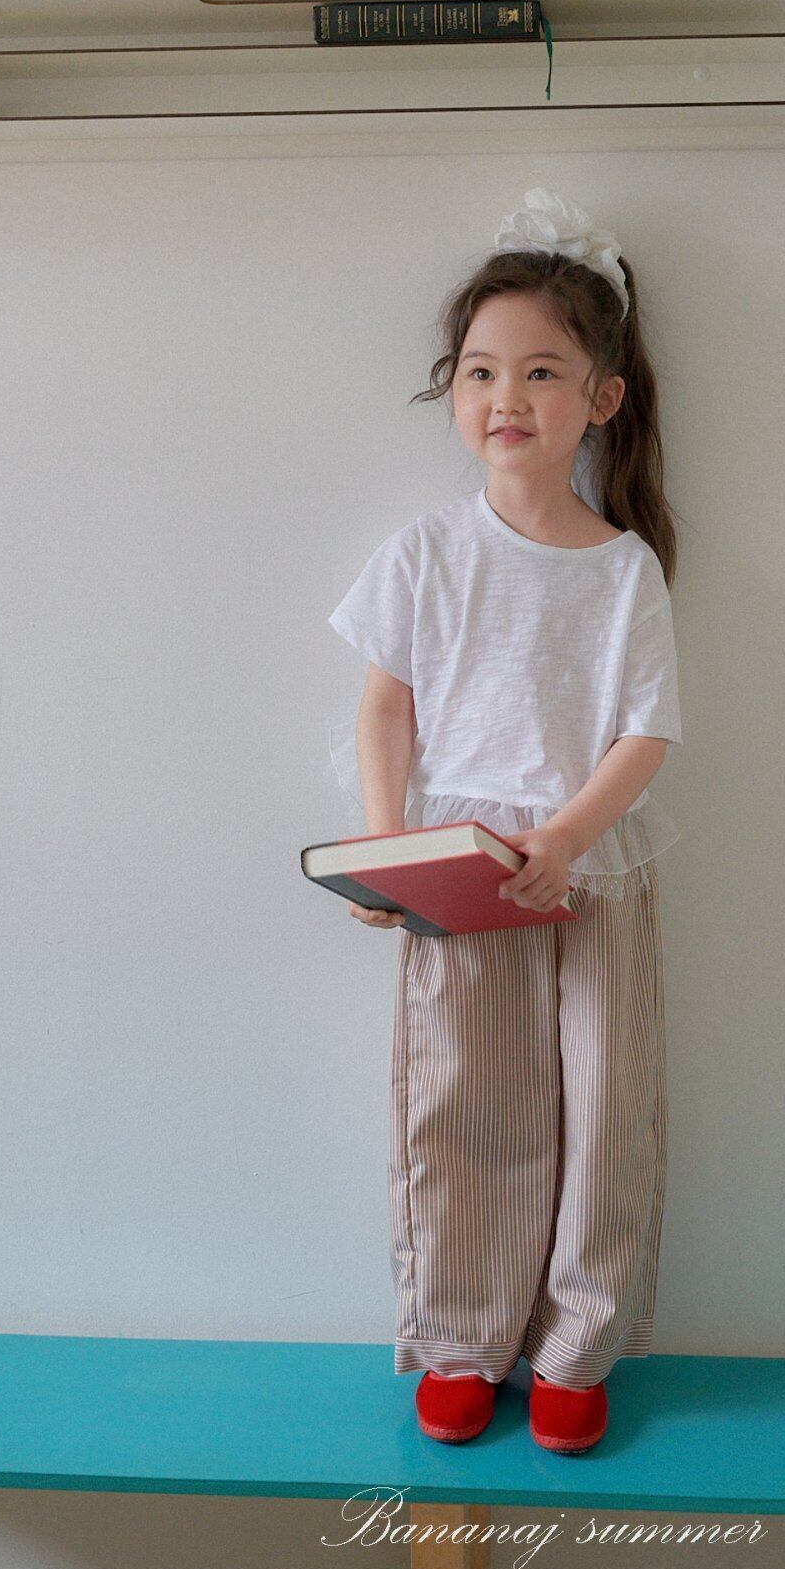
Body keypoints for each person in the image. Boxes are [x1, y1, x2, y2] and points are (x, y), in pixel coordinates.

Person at [325, 189, 683, 1454]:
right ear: (452, 392)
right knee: (463, 1100)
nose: (505, 396)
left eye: (540, 370)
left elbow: (644, 734)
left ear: (601, 396)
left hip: (589, 866)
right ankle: (462, 1338)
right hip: (456, 870)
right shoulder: (424, 554)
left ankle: (576, 1347)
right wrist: (387, 850)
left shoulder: (623, 569)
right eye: (480, 371)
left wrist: (568, 837)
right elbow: (386, 709)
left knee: (605, 1102)